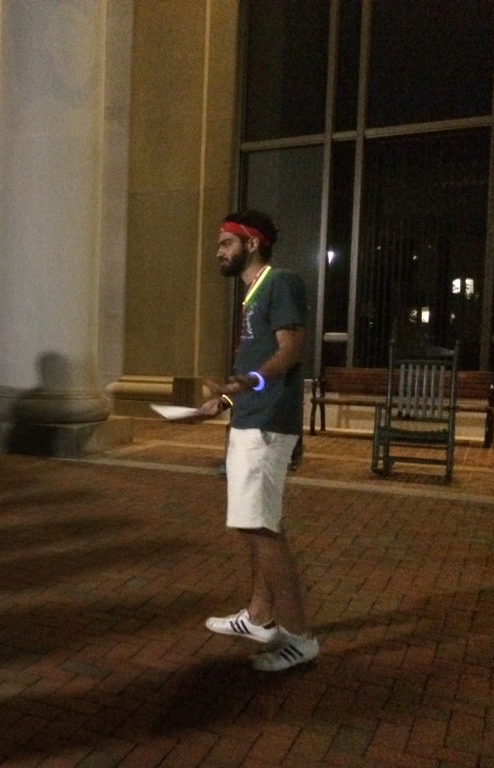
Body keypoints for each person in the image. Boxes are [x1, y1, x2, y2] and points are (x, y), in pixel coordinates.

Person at [196, 210, 319, 672]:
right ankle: (260, 616)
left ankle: (301, 637)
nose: (219, 251)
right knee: (255, 522)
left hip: (268, 426)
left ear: (251, 243)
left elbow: (290, 352)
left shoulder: (279, 281)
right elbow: (260, 365)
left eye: (226, 242)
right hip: (251, 419)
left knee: (263, 528)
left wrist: (241, 387)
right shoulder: (252, 294)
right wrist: (223, 405)